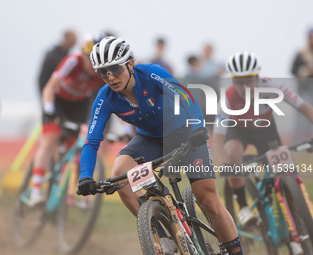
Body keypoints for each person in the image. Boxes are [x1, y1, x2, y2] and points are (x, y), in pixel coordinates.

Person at [77, 36, 243, 255]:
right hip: (150, 139)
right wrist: (85, 176)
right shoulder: (104, 97)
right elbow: (91, 142)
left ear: (129, 63)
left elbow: (184, 95)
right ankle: (164, 238)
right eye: (102, 72)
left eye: (115, 69)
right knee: (119, 174)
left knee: (208, 198)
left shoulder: (150, 73)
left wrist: (198, 129)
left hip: (185, 132)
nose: (110, 77)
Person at [212, 51, 313, 253]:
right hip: (238, 131)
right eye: (238, 82)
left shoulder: (272, 87)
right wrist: (223, 163)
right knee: (232, 152)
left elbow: (304, 107)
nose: (244, 87)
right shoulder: (229, 98)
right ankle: (243, 208)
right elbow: (217, 138)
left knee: (284, 170)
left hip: (266, 130)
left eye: (248, 80)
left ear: (257, 77)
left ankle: (290, 218)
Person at [29, 33, 105, 205]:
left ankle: (65, 190)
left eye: (97, 62)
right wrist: (49, 109)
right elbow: (49, 87)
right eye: (89, 60)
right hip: (58, 102)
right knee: (50, 140)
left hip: (79, 106)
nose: (93, 67)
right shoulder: (73, 60)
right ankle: (36, 190)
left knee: (77, 147)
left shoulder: (103, 72)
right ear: (83, 55)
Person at [38, 29, 77, 96]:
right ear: (66, 39)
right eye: (72, 42)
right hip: (49, 91)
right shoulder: (52, 56)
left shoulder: (68, 57)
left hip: (61, 94)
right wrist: (45, 95)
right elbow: (43, 78)